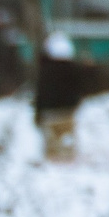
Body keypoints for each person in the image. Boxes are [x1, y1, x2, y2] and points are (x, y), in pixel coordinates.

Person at [34, 32, 84, 163]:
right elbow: (80, 90)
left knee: (52, 151)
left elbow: (41, 94)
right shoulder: (74, 70)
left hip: (49, 115)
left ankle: (54, 170)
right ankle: (68, 167)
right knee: (67, 147)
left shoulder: (46, 72)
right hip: (67, 114)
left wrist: (37, 113)